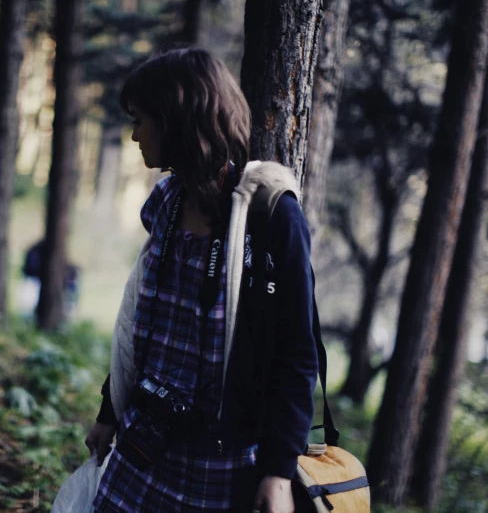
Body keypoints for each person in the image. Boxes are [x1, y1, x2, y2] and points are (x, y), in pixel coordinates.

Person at [85, 48, 318, 513]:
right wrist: (110, 412)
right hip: (142, 446)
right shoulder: (165, 203)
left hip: (219, 463)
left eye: (141, 120)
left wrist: (276, 472)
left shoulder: (269, 216)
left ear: (176, 121)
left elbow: (296, 350)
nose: (134, 135)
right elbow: (144, 326)